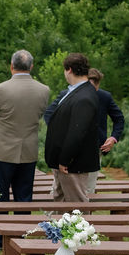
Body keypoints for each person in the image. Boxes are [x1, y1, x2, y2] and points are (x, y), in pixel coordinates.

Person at [0, 50, 51, 213]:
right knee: (24, 198)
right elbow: (39, 114)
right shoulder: (44, 90)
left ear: (11, 66)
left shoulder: (1, 89)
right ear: (31, 66)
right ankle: (21, 235)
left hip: (1, 152)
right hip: (28, 151)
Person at [44, 53, 100, 204]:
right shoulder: (77, 91)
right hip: (65, 164)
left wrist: (65, 160)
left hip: (73, 165)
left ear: (68, 70)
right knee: (60, 203)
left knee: (77, 207)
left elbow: (77, 132)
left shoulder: (84, 96)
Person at [86, 68, 125, 193]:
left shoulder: (105, 97)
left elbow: (119, 119)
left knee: (89, 188)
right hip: (73, 148)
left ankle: (85, 213)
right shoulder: (70, 93)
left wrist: (113, 138)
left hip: (96, 147)